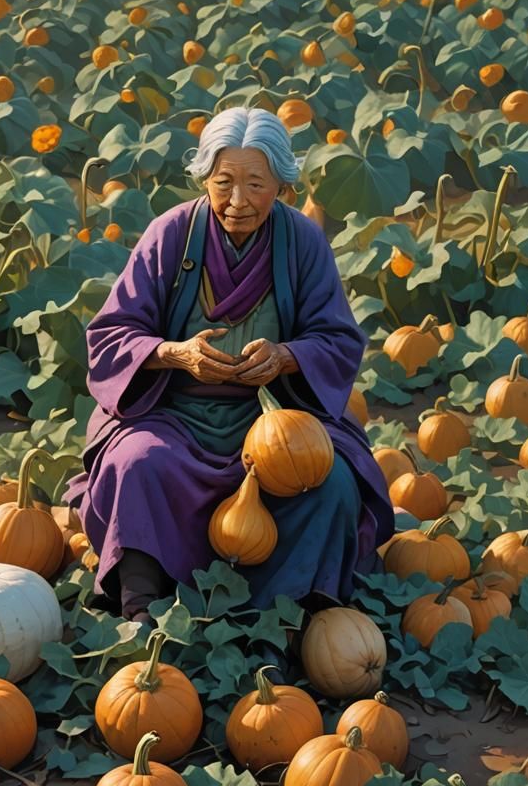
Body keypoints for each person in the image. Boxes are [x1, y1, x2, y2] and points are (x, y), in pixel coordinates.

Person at [63, 107, 394, 626]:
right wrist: (175, 353)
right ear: (204, 179)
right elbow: (110, 336)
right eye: (224, 183)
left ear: (283, 185)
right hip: (171, 414)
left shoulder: (303, 242)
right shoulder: (170, 234)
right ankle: (144, 613)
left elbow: (337, 339)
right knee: (138, 463)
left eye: (255, 185)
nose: (237, 201)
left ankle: (285, 618)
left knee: (329, 483)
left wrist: (288, 357)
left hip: (274, 420)